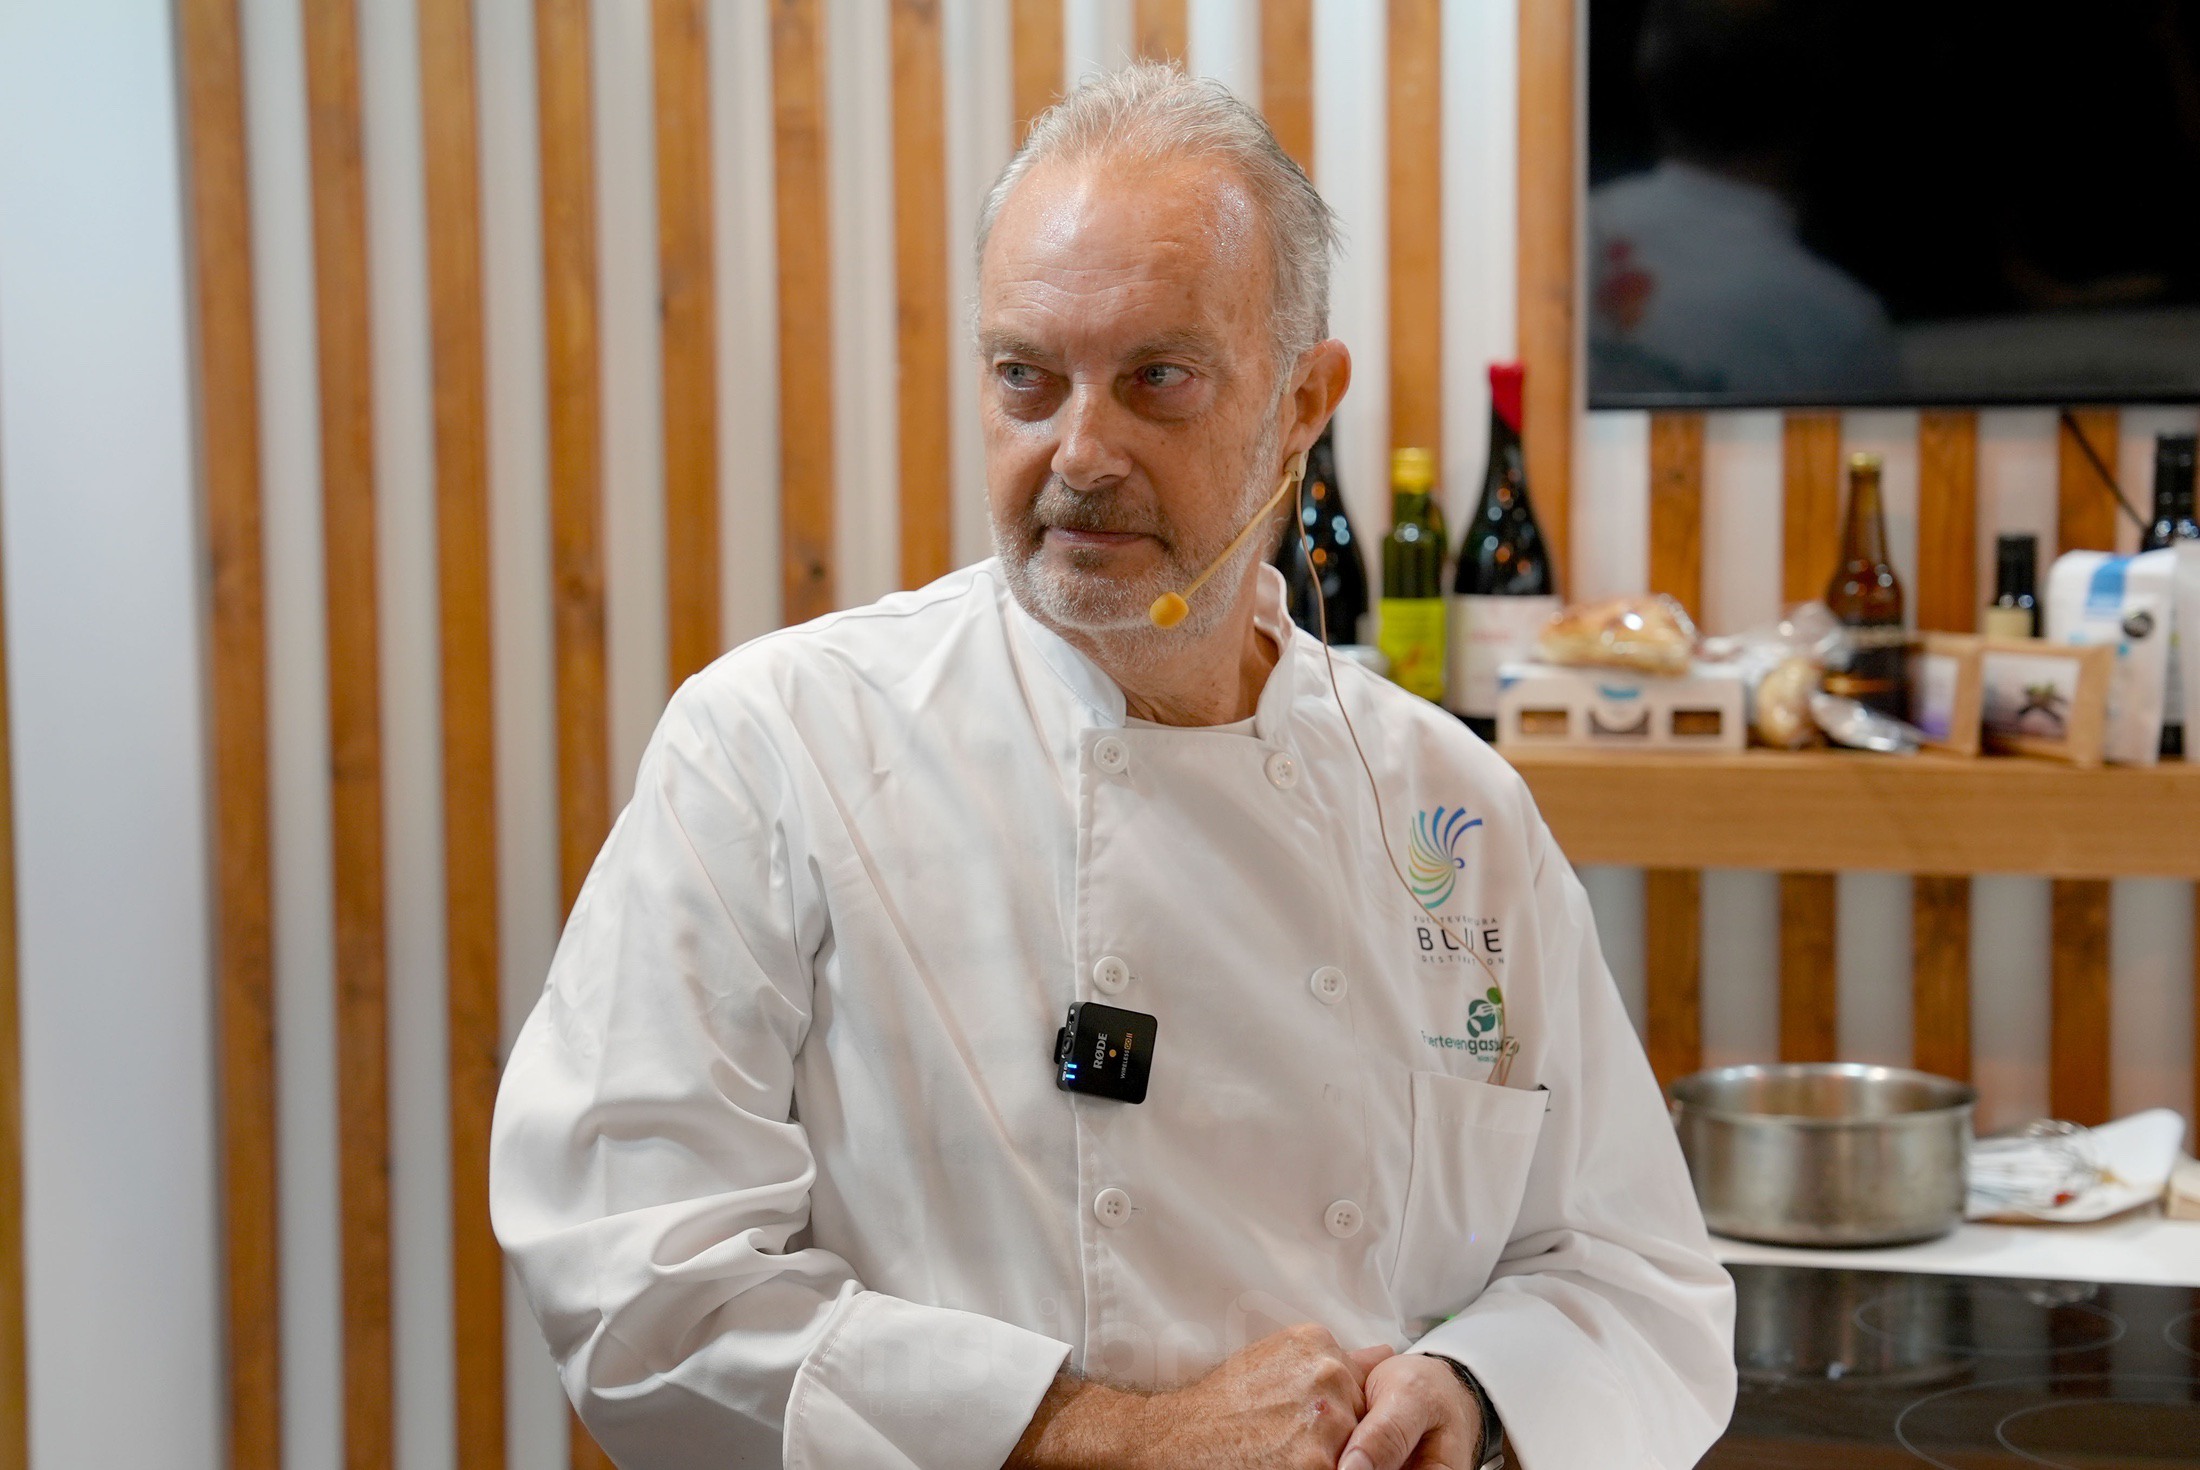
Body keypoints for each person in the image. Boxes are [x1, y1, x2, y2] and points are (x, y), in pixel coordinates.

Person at [491, 62, 1736, 1470]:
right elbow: (635, 1277)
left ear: (1303, 402)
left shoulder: (1451, 804)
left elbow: (1633, 1274)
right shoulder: (779, 746)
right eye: (1025, 377)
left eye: (1159, 379)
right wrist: (1118, 1435)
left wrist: (1471, 1389)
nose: (1079, 454)